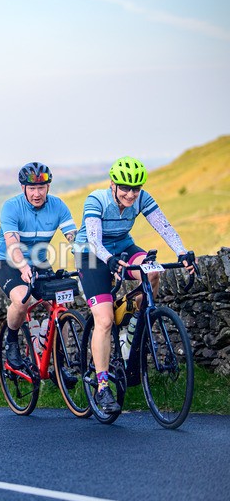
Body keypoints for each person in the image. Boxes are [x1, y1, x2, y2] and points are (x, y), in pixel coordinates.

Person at [73, 156, 195, 413]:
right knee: (104, 320)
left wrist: (182, 253)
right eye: (125, 188)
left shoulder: (142, 198)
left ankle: (133, 329)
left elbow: (164, 226)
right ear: (113, 184)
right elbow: (95, 241)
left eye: (135, 189)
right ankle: (102, 386)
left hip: (124, 246)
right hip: (92, 255)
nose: (130, 194)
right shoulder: (97, 200)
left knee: (152, 273)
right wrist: (111, 262)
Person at [0, 162, 77, 370]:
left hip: (38, 262)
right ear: (23, 188)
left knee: (60, 306)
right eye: (32, 189)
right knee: (22, 300)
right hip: (8, 261)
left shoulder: (58, 206)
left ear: (48, 187)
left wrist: (88, 260)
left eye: (41, 188)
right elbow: (13, 244)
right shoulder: (11, 207)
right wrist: (23, 268)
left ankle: (58, 362)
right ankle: (11, 342)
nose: (37, 194)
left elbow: (74, 239)